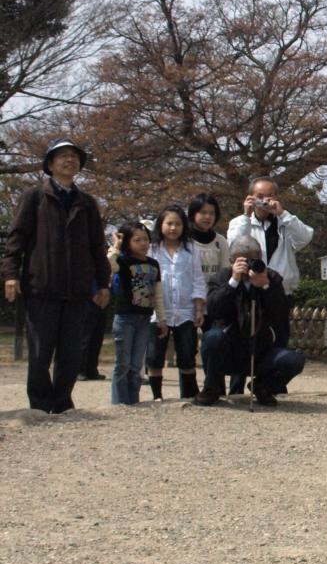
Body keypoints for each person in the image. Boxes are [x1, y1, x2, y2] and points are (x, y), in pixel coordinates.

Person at [2, 139, 111, 413]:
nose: (69, 160)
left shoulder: (86, 203)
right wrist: (11, 275)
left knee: (70, 353)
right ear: (50, 164)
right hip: (42, 286)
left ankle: (62, 403)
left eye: (74, 156)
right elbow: (16, 239)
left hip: (77, 290)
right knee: (40, 352)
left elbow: (97, 247)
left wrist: (103, 283)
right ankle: (40, 404)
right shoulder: (34, 197)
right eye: (62, 155)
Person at [194, 236, 305, 407]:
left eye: (253, 259)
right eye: (242, 260)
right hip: (228, 348)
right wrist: (233, 282)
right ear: (231, 261)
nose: (248, 265)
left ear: (260, 258)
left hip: (260, 348)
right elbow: (214, 309)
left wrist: (265, 286)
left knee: (293, 360)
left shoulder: (272, 277)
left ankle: (262, 386)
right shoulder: (222, 277)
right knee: (212, 337)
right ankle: (211, 387)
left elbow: (281, 312)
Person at [226, 176, 313, 347]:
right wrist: (246, 215)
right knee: (247, 341)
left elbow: (305, 237)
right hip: (249, 289)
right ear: (250, 197)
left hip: (279, 291)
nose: (265, 201)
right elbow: (234, 245)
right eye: (259, 196)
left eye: (270, 196)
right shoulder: (240, 222)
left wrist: (282, 214)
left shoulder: (286, 222)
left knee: (278, 341)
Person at [147, 204, 206, 401]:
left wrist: (199, 308)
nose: (173, 228)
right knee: (155, 356)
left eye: (178, 224)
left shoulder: (191, 249)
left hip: (185, 311)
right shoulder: (152, 249)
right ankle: (157, 396)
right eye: (169, 223)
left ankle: (188, 396)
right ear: (161, 225)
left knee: (187, 354)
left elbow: (198, 279)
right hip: (158, 312)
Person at [108, 222, 166, 406]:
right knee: (123, 364)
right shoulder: (123, 261)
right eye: (137, 240)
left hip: (145, 319)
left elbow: (158, 294)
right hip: (125, 318)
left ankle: (133, 402)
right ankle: (120, 403)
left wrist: (162, 319)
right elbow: (109, 264)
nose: (143, 243)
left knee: (136, 365)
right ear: (128, 242)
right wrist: (116, 246)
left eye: (146, 239)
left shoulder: (153, 264)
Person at [188, 192, 231, 287]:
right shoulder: (185, 240)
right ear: (193, 213)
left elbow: (225, 272)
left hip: (215, 293)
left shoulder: (221, 241)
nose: (208, 217)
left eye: (212, 213)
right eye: (203, 212)